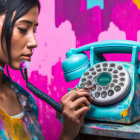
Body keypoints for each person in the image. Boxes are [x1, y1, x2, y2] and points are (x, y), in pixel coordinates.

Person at [0, 0, 93, 139]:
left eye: (34, 30)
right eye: (23, 29)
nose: (34, 42)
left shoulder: (26, 101)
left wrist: (68, 131)